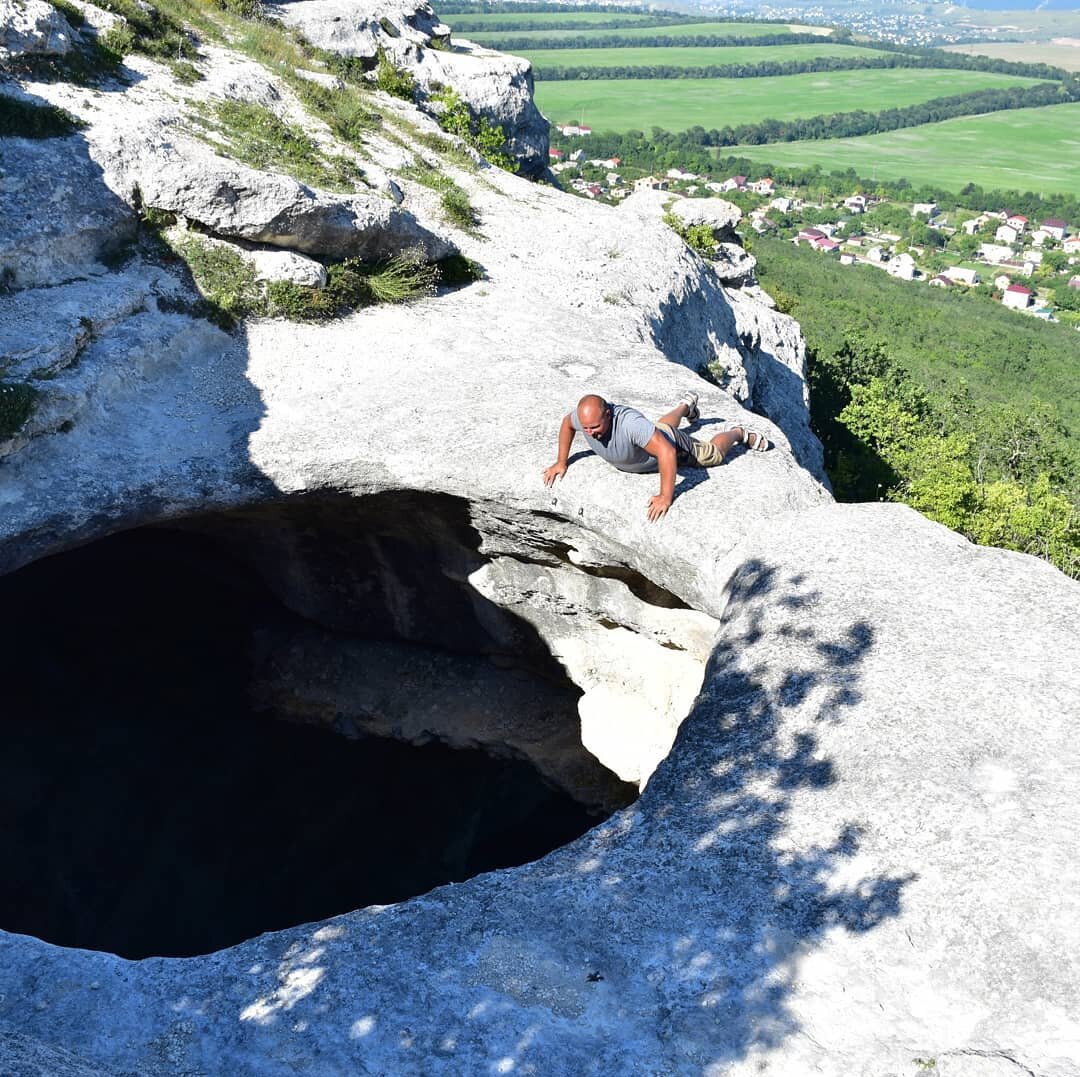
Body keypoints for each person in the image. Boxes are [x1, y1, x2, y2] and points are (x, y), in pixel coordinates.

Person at [542, 392, 770, 521]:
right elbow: (567, 423)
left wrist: (665, 496)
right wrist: (561, 462)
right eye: (586, 428)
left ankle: (738, 433)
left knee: (712, 455)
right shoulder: (585, 418)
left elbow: (667, 451)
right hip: (654, 436)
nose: (589, 433)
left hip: (675, 446)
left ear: (608, 414)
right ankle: (685, 406)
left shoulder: (629, 424)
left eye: (594, 427)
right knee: (658, 429)